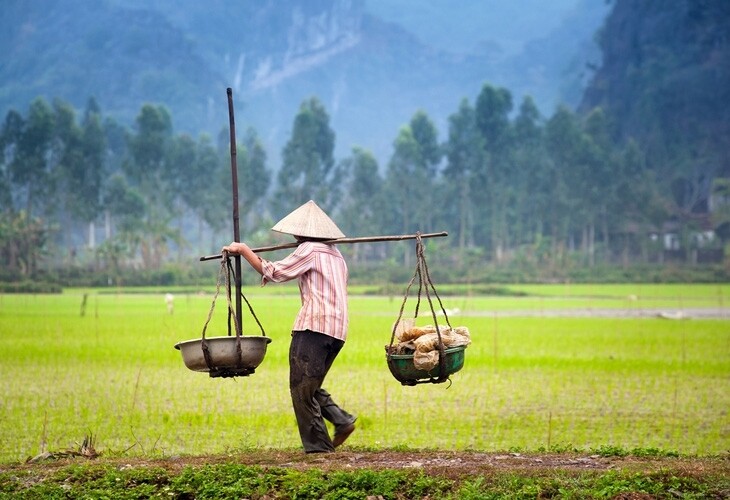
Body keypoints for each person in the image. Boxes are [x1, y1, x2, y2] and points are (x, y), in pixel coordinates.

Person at [222, 200, 356, 453]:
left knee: (300, 389)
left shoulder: (309, 250)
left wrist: (243, 250)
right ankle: (341, 420)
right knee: (309, 384)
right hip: (337, 331)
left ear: (302, 232)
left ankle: (319, 450)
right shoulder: (336, 254)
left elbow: (274, 272)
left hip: (314, 328)